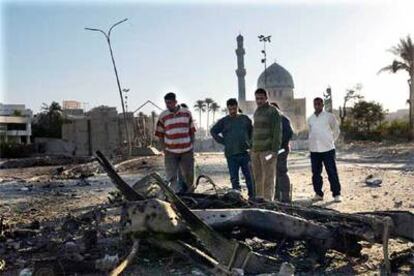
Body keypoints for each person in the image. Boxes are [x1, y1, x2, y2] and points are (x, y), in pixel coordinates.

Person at [210, 98, 254, 199]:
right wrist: (224, 141)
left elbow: (252, 133)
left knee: (249, 177)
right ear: (228, 109)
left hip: (245, 153)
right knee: (234, 179)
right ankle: (237, 198)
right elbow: (213, 131)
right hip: (231, 155)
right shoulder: (224, 121)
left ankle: (252, 196)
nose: (232, 111)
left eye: (234, 109)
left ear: (237, 107)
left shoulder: (245, 119)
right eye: (230, 109)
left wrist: (250, 144)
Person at [155, 92, 196, 193]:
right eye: (166, 103)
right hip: (170, 152)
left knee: (188, 175)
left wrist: (191, 146)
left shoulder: (187, 113)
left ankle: (190, 194)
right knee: (171, 176)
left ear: (175, 102)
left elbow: (192, 132)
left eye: (169, 103)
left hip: (186, 151)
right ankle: (175, 197)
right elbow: (160, 135)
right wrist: (164, 149)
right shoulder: (163, 116)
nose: (168, 105)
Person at [308, 97, 342, 202]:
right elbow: (310, 132)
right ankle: (318, 193)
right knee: (316, 173)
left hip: (328, 149)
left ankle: (336, 194)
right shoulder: (310, 118)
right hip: (314, 150)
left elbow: (336, 130)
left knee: (331, 172)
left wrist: (331, 141)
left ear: (322, 105)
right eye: (315, 104)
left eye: (319, 104)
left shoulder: (329, 116)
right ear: (313, 105)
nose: (317, 106)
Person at [251, 88, 282, 201]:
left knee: (268, 178)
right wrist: (251, 146)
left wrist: (274, 151)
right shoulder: (257, 111)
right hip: (256, 151)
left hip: (268, 151)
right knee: (258, 177)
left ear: (266, 98)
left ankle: (268, 201)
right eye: (257, 98)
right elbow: (255, 130)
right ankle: (260, 200)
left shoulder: (273, 111)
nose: (259, 101)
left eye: (261, 98)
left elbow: (277, 132)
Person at [270, 102, 294, 203]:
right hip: (272, 151)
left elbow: (289, 133)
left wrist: (278, 145)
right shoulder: (271, 121)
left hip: (282, 150)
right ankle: (277, 195)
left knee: (281, 171)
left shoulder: (283, 119)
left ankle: (285, 196)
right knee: (275, 172)